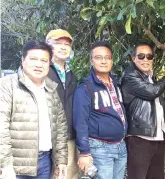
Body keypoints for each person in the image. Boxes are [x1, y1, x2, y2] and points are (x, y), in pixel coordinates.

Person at [0, 41, 68, 179]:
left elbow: (60, 127)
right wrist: (5, 164)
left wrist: (61, 161)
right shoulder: (7, 85)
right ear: (23, 60)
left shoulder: (51, 89)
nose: (38, 64)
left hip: (45, 162)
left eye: (43, 60)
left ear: (49, 64)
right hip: (16, 165)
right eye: (33, 59)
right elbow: (1, 127)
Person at [120, 42, 165, 179]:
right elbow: (152, 92)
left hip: (157, 136)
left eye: (149, 56)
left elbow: (155, 102)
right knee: (138, 176)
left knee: (156, 176)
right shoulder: (130, 75)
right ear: (133, 58)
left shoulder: (150, 77)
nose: (145, 59)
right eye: (141, 56)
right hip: (140, 137)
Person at [73, 42, 127, 179]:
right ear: (91, 61)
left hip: (120, 146)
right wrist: (84, 153)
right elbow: (80, 122)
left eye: (107, 57)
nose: (103, 61)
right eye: (98, 57)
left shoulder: (116, 84)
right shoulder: (85, 88)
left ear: (112, 61)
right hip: (100, 148)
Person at [46, 29, 78, 179]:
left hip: (68, 138)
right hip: (46, 138)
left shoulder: (72, 75)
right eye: (58, 43)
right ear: (48, 45)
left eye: (67, 44)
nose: (64, 47)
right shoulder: (41, 70)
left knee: (69, 175)